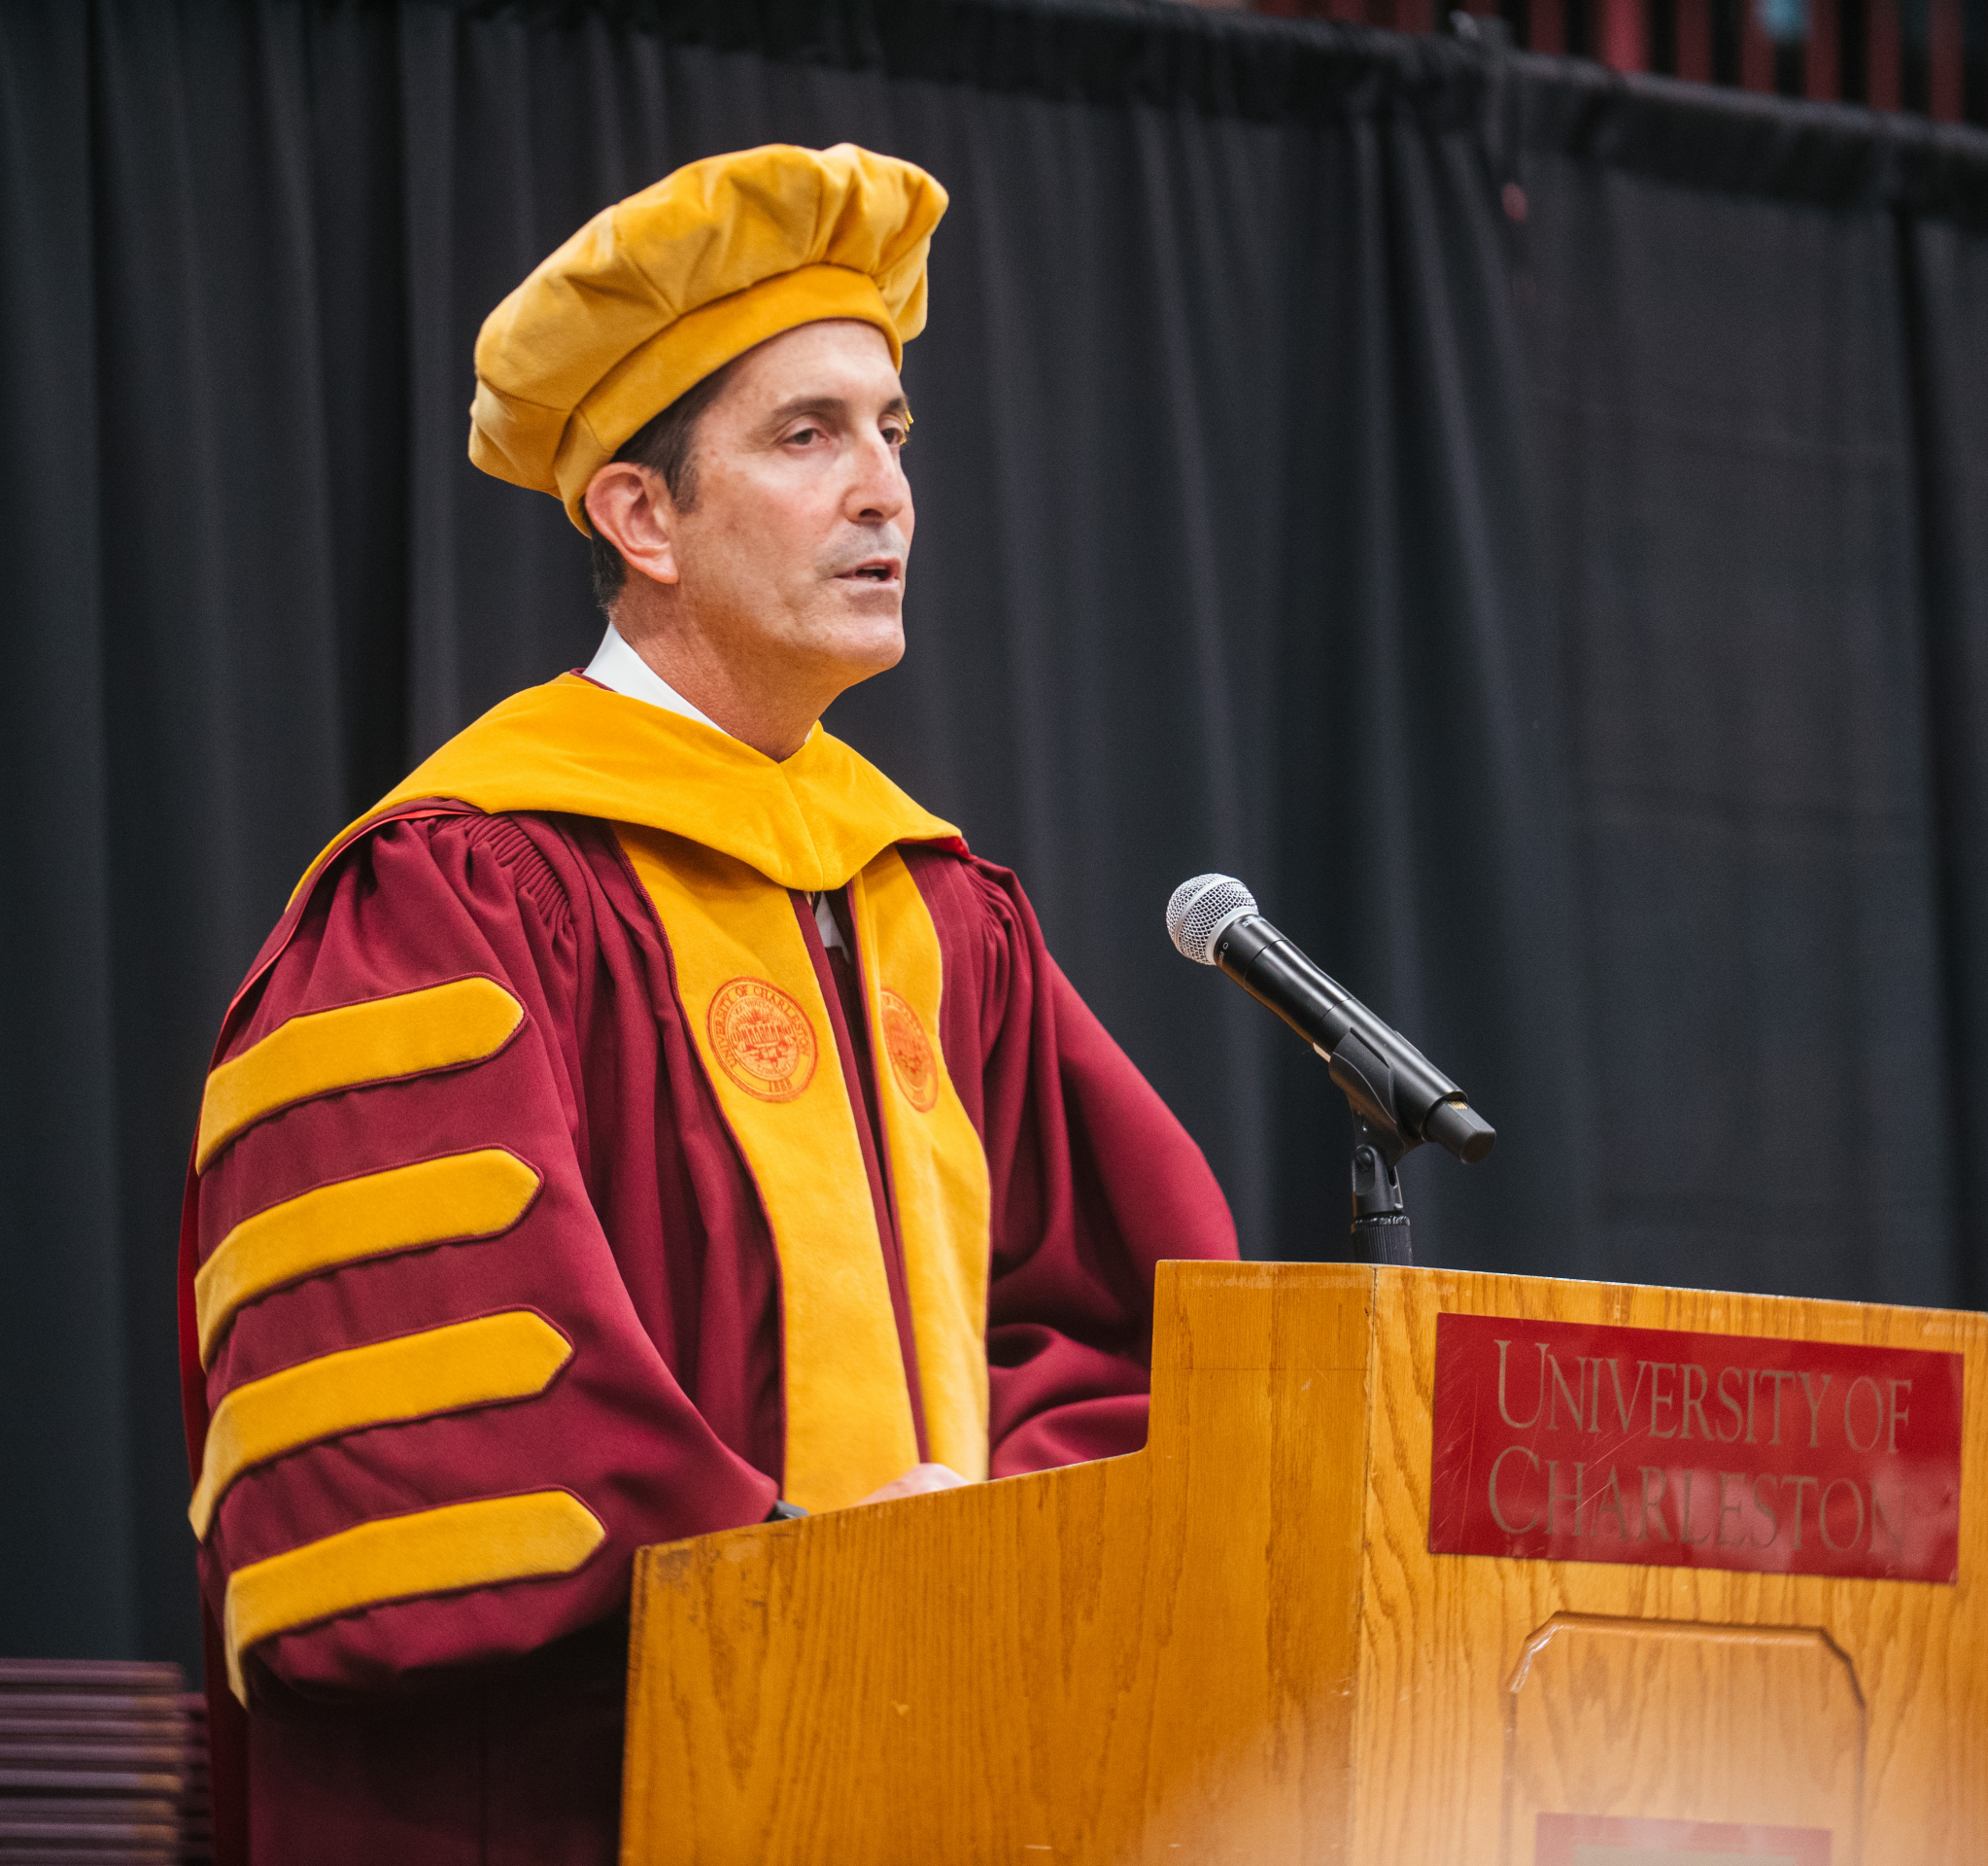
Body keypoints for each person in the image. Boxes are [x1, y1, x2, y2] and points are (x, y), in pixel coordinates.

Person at [174, 143, 1239, 1865]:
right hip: (594, 1791)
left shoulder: (936, 909)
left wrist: (986, 1538)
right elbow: (444, 1415)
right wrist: (815, 1556)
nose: (885, 493)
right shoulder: (460, 894)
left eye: (894, 430)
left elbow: (1121, 1326)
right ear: (641, 517)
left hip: (948, 1763)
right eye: (807, 436)